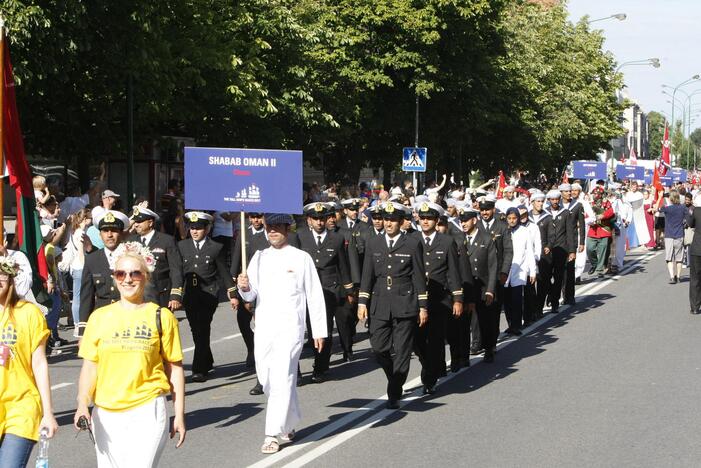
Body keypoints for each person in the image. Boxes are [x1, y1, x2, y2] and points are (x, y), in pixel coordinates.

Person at [74, 244, 186, 467]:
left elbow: (175, 368)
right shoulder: (99, 317)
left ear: (145, 277)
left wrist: (179, 414)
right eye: (121, 273)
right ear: (114, 278)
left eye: (135, 273)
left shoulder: (161, 316)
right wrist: (82, 404)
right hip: (105, 413)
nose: (127, 279)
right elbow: (90, 367)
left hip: (147, 408)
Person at [237, 213, 327, 454]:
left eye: (277, 227)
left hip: (291, 328)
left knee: (282, 378)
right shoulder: (258, 257)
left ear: (288, 229)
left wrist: (319, 330)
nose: (272, 231)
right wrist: (243, 287)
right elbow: (250, 294)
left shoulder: (301, 258)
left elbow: (314, 295)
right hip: (265, 327)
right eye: (269, 228)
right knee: (267, 379)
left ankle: (272, 434)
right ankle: (289, 421)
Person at [357, 201, 428, 409]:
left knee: (403, 350)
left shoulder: (412, 243)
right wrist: (363, 302)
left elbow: (418, 277)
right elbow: (367, 275)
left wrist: (422, 306)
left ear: (400, 222)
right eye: (385, 220)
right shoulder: (374, 243)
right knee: (379, 348)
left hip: (405, 302)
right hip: (380, 302)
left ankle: (394, 391)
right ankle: (393, 377)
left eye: (392, 220)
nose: (388, 224)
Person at [0, 256, 58, 468]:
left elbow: (40, 364)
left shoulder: (28, 313)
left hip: (20, 407)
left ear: (11, 279)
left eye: (2, 274)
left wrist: (48, 413)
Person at [294, 203, 353, 382]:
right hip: (304, 289)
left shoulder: (336, 238)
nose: (319, 222)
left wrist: (349, 289)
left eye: (322, 218)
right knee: (298, 330)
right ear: (309, 220)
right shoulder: (300, 237)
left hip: (328, 289)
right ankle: (294, 369)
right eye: (315, 219)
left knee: (322, 329)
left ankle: (320, 367)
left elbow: (342, 266)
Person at [178, 212, 237, 382]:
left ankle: (199, 369)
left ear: (208, 228)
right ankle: (208, 359)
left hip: (209, 294)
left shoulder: (215, 247)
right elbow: (178, 271)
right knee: (195, 329)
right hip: (190, 294)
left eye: (199, 228)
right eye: (192, 228)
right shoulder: (182, 246)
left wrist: (232, 293)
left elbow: (224, 271)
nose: (195, 231)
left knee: (202, 328)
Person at [414, 202, 464, 392]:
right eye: (422, 218)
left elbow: (453, 272)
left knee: (435, 341)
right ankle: (428, 364)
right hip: (417, 299)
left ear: (437, 220)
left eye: (429, 218)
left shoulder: (446, 242)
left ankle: (429, 379)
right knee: (417, 341)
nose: (425, 221)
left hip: (439, 299)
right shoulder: (412, 238)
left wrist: (457, 299)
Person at [78, 210, 131, 336]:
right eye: (105, 231)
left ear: (121, 233)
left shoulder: (132, 255)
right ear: (100, 234)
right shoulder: (93, 259)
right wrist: (83, 331)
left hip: (129, 318)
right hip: (102, 320)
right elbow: (86, 297)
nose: (109, 235)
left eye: (114, 230)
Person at [460, 206, 498, 362]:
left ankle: (489, 348)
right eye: (461, 221)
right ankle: (464, 355)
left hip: (482, 286)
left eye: (466, 221)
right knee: (464, 323)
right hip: (466, 286)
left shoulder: (486, 239)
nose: (463, 224)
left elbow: (493, 266)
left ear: (474, 220)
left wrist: (490, 290)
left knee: (485, 320)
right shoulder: (458, 239)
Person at [129, 207, 183, 309]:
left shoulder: (167, 241)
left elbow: (176, 269)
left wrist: (175, 295)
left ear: (150, 222)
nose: (136, 225)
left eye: (140, 221)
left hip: (160, 294)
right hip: (136, 294)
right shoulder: (130, 241)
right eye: (135, 222)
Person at [58, 208, 93, 334]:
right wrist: (85, 269)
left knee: (78, 296)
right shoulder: (80, 233)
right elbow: (81, 253)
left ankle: (77, 323)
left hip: (75, 267)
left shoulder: (74, 231)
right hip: (80, 267)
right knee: (79, 297)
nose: (91, 221)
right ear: (85, 219)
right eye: (90, 219)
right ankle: (78, 324)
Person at [502, 208, 536, 335]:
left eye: (514, 218)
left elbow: (530, 252)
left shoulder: (524, 231)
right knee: (506, 300)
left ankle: (516, 325)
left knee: (516, 299)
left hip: (519, 270)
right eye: (509, 218)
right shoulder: (504, 231)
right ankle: (510, 324)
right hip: (505, 270)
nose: (512, 221)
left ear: (518, 218)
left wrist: (532, 271)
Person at [541, 190, 575, 314]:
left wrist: (571, 250)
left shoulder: (565, 213)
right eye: (552, 199)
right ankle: (550, 293)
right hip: (547, 250)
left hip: (561, 249)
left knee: (558, 276)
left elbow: (570, 233)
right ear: (548, 200)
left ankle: (555, 302)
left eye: (557, 199)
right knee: (545, 276)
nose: (555, 201)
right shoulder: (544, 213)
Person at [659, 190, 687, 284]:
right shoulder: (683, 208)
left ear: (670, 198)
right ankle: (678, 277)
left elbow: (657, 209)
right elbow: (688, 217)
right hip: (679, 234)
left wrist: (660, 197)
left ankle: (672, 276)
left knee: (669, 257)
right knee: (679, 257)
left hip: (669, 235)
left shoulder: (667, 208)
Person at [586, 187, 615, 278]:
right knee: (590, 249)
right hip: (593, 230)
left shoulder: (606, 203)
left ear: (601, 195)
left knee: (603, 251)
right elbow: (586, 214)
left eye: (597, 194)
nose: (595, 195)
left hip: (604, 230)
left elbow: (611, 212)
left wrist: (602, 215)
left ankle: (599, 269)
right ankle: (594, 264)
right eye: (594, 193)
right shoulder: (589, 204)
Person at [686, 194, 701, 314]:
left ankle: (695, 307)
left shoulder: (695, 211)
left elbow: (690, 224)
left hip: (697, 247)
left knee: (695, 278)